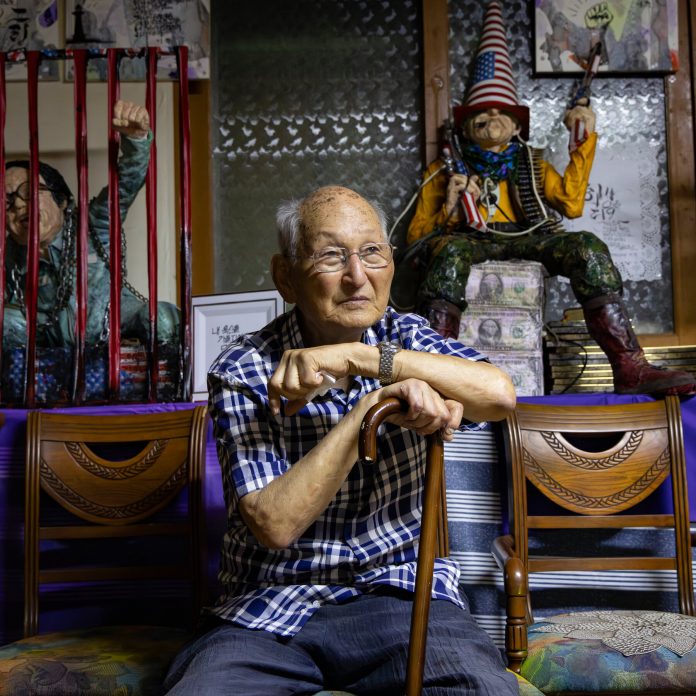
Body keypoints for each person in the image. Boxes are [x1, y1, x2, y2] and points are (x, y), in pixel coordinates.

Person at [163, 185, 519, 695]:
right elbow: (275, 525)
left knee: (483, 690)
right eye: (331, 256)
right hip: (267, 608)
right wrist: (371, 409)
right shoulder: (244, 368)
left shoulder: (406, 338)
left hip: (399, 599)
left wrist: (364, 359)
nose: (357, 276)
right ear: (285, 277)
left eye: (371, 252)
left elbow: (499, 395)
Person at [407, 0, 695, 397]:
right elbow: (415, 239)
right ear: (465, 128)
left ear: (516, 126)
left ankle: (630, 365)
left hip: (529, 235)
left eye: (501, 113)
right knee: (449, 253)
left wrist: (583, 142)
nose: (491, 120)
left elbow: (571, 204)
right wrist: (449, 206)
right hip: (469, 240)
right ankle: (434, 372)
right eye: (480, 115)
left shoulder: (533, 164)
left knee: (587, 246)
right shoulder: (443, 171)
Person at [3, 99, 180, 351]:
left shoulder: (94, 224)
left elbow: (125, 185)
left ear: (62, 200)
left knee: (162, 319)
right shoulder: (9, 254)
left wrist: (136, 141)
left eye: (29, 192)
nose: (19, 205)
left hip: (113, 322)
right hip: (49, 337)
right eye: (6, 201)